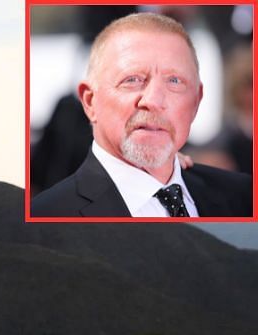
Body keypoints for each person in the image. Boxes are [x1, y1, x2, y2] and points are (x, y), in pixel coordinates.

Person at [31, 12, 252, 218]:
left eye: (174, 81)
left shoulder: (244, 197)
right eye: (132, 79)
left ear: (196, 101)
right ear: (90, 101)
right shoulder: (48, 215)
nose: (154, 101)